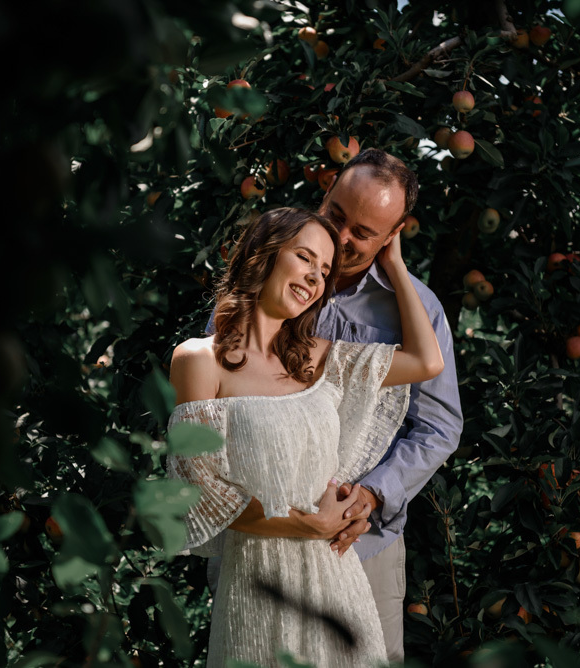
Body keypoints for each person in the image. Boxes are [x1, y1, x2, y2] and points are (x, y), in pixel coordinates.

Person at [167, 206, 444, 666]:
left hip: (336, 581)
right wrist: (305, 524)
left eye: (325, 270)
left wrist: (394, 263)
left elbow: (426, 361)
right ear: (264, 254)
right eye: (304, 257)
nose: (316, 277)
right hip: (257, 586)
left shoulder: (320, 359)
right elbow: (201, 492)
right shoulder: (199, 360)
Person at [314, 149, 463, 661]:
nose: (341, 237)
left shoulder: (418, 310)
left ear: (394, 233)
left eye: (362, 232)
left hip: (362, 545)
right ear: (326, 192)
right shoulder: (269, 275)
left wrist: (372, 495)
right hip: (266, 524)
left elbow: (438, 427)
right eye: (335, 215)